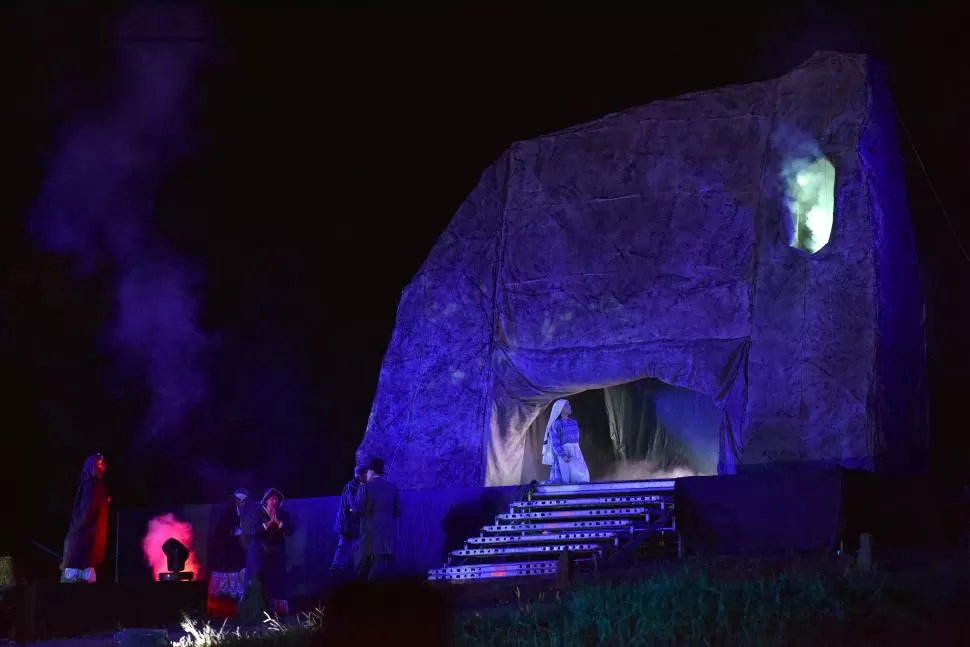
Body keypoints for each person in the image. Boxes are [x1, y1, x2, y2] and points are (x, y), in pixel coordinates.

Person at [60, 453, 110, 583]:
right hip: (82, 538)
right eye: (99, 463)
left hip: (88, 542)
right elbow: (85, 510)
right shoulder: (90, 484)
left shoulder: (95, 484)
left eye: (103, 463)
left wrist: (104, 501)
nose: (102, 465)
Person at [244, 487, 293, 616]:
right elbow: (254, 532)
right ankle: (258, 608)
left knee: (276, 580)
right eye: (271, 498)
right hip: (259, 551)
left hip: (277, 551)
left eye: (276, 499)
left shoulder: (283, 514)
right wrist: (269, 522)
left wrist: (278, 522)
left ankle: (276, 610)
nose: (274, 501)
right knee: (259, 579)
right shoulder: (257, 513)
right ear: (265, 501)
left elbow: (290, 531)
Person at [354, 458, 399, 582]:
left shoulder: (365, 488)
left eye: (367, 471)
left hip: (369, 538)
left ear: (371, 471)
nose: (367, 474)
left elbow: (357, 509)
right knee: (383, 576)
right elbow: (396, 512)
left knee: (363, 572)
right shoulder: (393, 488)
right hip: (387, 540)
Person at [207, 488, 251, 601]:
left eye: (244, 500)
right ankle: (226, 598)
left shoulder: (248, 512)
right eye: (239, 499)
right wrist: (232, 531)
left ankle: (241, 597)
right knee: (229, 572)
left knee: (241, 571)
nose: (241, 502)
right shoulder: (227, 512)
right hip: (227, 548)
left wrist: (244, 533)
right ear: (235, 500)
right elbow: (220, 530)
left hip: (242, 548)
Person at [330, 465, 366, 582]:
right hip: (347, 527)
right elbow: (354, 506)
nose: (367, 476)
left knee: (356, 555)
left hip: (353, 527)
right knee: (341, 555)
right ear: (360, 474)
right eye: (365, 474)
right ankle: (334, 581)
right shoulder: (351, 487)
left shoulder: (359, 486)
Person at [541, 399, 591, 485]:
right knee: (566, 475)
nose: (570, 407)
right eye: (567, 405)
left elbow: (576, 439)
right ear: (561, 409)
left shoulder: (573, 422)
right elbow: (555, 442)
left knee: (580, 475)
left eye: (569, 405)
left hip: (575, 451)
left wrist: (576, 450)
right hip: (564, 452)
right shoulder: (556, 424)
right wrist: (562, 455)